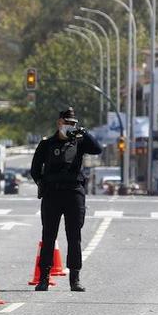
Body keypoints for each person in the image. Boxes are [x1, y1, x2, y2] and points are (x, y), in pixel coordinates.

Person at [30, 107, 102, 291]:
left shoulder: (79, 142)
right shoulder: (47, 144)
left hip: (73, 194)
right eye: (67, 123)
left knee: (74, 237)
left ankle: (75, 279)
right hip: (52, 194)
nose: (70, 127)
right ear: (59, 123)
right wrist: (42, 184)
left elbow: (97, 149)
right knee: (48, 237)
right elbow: (35, 169)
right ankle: (44, 278)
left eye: (73, 124)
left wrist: (84, 134)